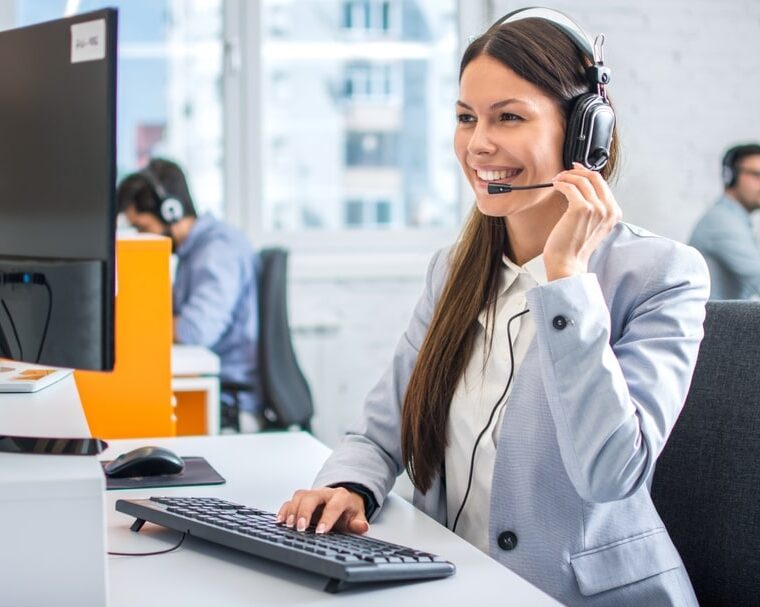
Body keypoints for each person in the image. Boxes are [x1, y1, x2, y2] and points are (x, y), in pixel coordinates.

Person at [278, 9, 710, 606]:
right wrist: (350, 485)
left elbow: (610, 474)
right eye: (465, 118)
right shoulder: (455, 269)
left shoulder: (662, 275)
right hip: (454, 585)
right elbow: (382, 432)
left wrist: (568, 285)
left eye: (508, 117)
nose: (478, 144)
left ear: (586, 135)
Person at [117, 158, 263, 433]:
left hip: (230, 400)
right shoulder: (193, 251)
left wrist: (131, 328)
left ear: (171, 211)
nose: (141, 236)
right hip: (213, 385)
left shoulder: (218, 250)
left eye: (143, 227)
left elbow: (196, 330)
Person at [689, 143, 760, 299]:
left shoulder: (735, 219)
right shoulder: (721, 222)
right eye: (756, 175)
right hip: (713, 321)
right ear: (731, 177)